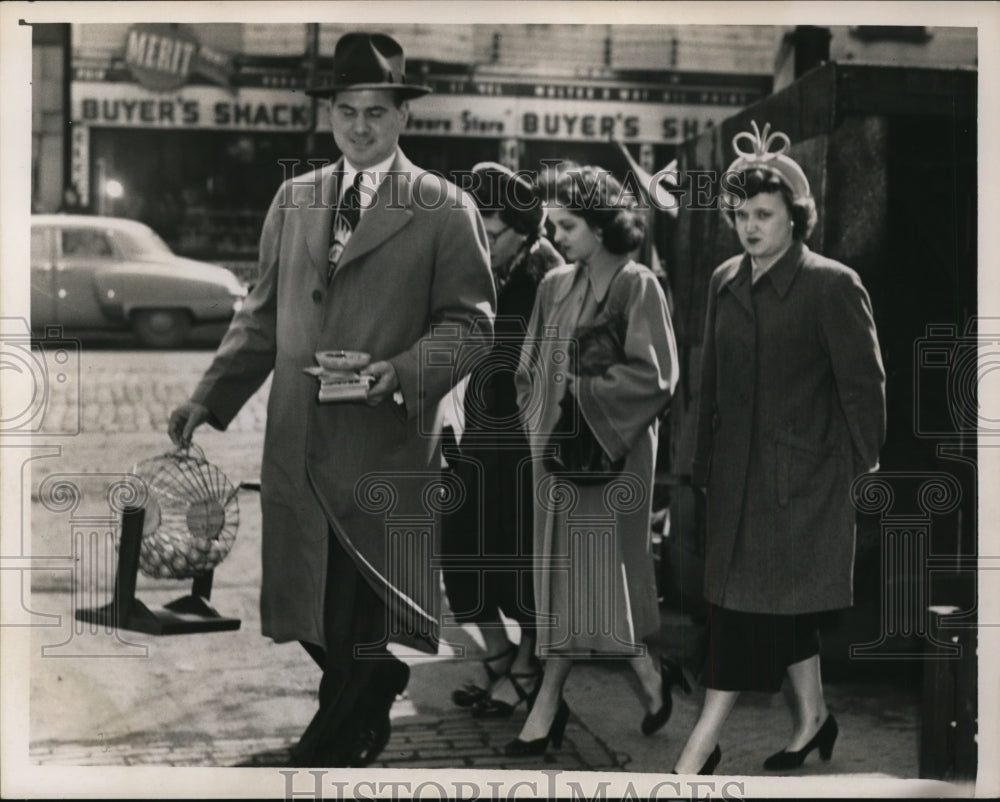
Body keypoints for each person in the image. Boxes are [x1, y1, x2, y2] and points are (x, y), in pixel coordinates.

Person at [167, 32, 495, 768]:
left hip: (383, 443)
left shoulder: (445, 208)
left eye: (376, 111)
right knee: (310, 607)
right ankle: (370, 689)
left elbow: (472, 326)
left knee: (361, 603)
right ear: (330, 115)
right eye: (346, 110)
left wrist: (400, 371)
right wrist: (207, 398)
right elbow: (259, 313)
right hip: (298, 442)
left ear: (403, 115)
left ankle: (332, 740)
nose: (359, 126)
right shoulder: (296, 197)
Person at [672, 122, 886, 775]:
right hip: (736, 481)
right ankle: (813, 722)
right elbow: (707, 384)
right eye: (740, 214)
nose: (749, 226)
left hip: (803, 485)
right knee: (780, 609)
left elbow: (864, 388)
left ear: (797, 217)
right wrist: (698, 472)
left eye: (763, 214)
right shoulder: (724, 280)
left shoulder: (832, 284)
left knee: (741, 619)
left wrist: (859, 470)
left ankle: (697, 750)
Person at [509, 166, 684, 757]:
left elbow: (655, 375)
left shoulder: (638, 286)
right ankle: (649, 680)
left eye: (569, 224)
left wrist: (581, 395)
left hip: (611, 460)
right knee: (571, 581)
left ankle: (547, 706)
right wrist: (541, 425)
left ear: (604, 225)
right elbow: (527, 370)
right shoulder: (553, 285)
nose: (556, 235)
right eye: (553, 224)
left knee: (591, 580)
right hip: (557, 458)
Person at [441, 162, 563, 719]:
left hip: (524, 445)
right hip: (476, 435)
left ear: (523, 228)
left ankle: (526, 670)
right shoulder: (484, 267)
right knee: (459, 552)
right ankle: (498, 656)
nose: (480, 245)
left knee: (521, 564)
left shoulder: (545, 275)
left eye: (489, 235)